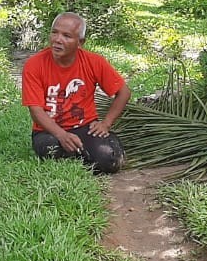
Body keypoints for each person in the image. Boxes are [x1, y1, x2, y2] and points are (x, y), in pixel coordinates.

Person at [21, 12, 130, 174]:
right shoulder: (34, 65)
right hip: (49, 130)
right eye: (54, 32)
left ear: (80, 42)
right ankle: (80, 154)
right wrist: (62, 135)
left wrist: (106, 123)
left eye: (66, 36)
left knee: (109, 159)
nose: (58, 40)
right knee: (50, 150)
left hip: (84, 127)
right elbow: (36, 111)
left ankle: (86, 152)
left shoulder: (94, 62)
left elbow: (124, 93)